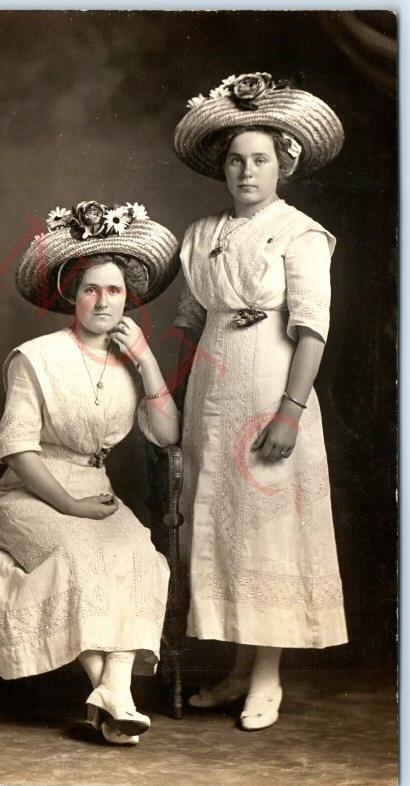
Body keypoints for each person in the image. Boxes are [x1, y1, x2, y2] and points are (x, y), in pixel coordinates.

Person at [0, 200, 180, 745]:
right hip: (30, 495)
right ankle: (115, 693)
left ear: (128, 297)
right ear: (71, 296)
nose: (102, 301)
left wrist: (148, 360)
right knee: (82, 556)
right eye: (91, 290)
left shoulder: (131, 362)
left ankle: (111, 694)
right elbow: (17, 450)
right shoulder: (35, 357)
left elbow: (168, 434)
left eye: (113, 291)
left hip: (97, 491)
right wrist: (71, 506)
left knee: (141, 557)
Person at [172, 72, 348, 730]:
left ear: (283, 166)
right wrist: (169, 391)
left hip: (270, 389)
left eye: (260, 160)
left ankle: (267, 675)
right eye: (236, 161)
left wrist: (289, 412)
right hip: (209, 397)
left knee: (267, 531)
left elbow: (311, 327)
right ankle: (237, 670)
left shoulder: (300, 235)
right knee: (221, 528)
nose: (246, 171)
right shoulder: (201, 233)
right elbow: (189, 322)